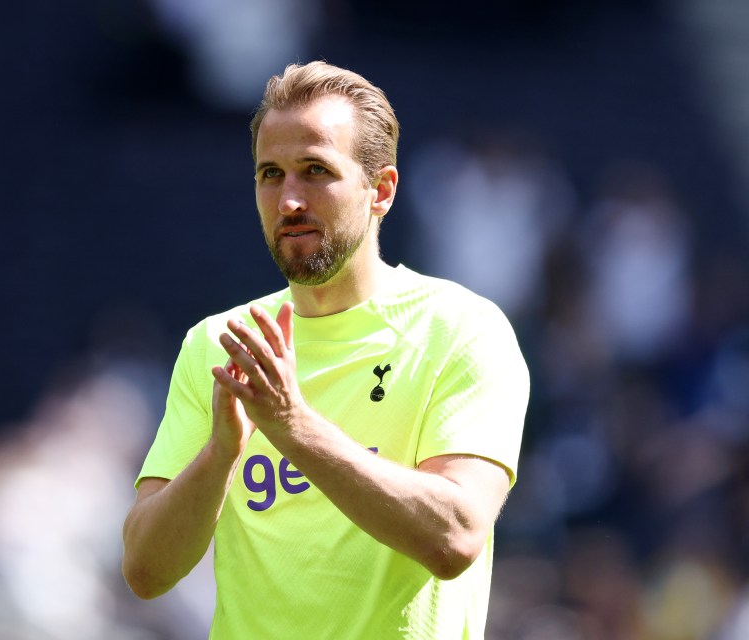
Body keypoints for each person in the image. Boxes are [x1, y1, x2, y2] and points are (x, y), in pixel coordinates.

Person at [122, 60, 530, 639]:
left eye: (315, 170)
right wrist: (221, 455)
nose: (289, 200)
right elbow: (145, 570)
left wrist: (292, 426)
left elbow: (456, 535)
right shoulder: (221, 345)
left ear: (381, 190)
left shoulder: (461, 331)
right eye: (270, 173)